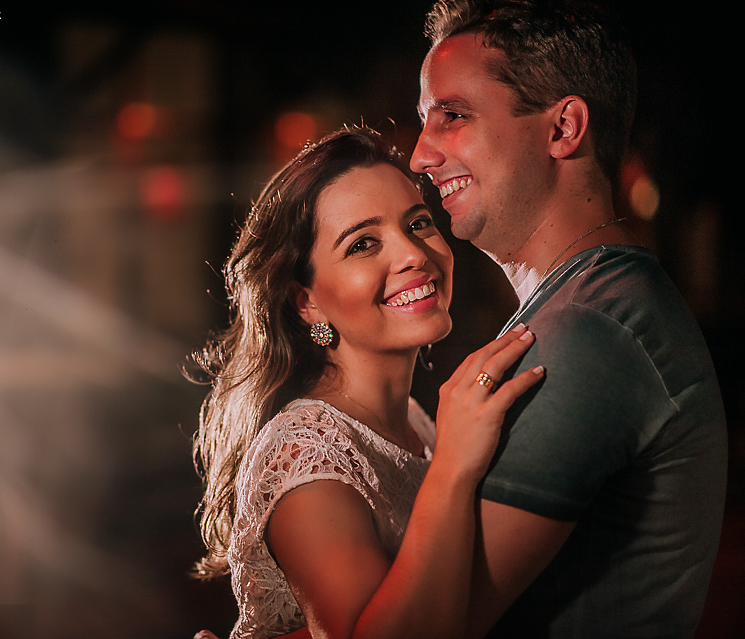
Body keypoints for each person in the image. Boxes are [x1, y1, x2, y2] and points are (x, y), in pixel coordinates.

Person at [408, 0, 728, 636]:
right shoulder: (589, 305)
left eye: (453, 116)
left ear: (564, 128)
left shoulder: (588, 332)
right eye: (426, 121)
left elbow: (427, 627)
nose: (421, 155)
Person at [190, 126, 545, 639]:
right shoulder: (305, 454)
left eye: (418, 223)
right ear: (306, 300)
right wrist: (453, 469)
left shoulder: (417, 424)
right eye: (363, 244)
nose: (413, 255)